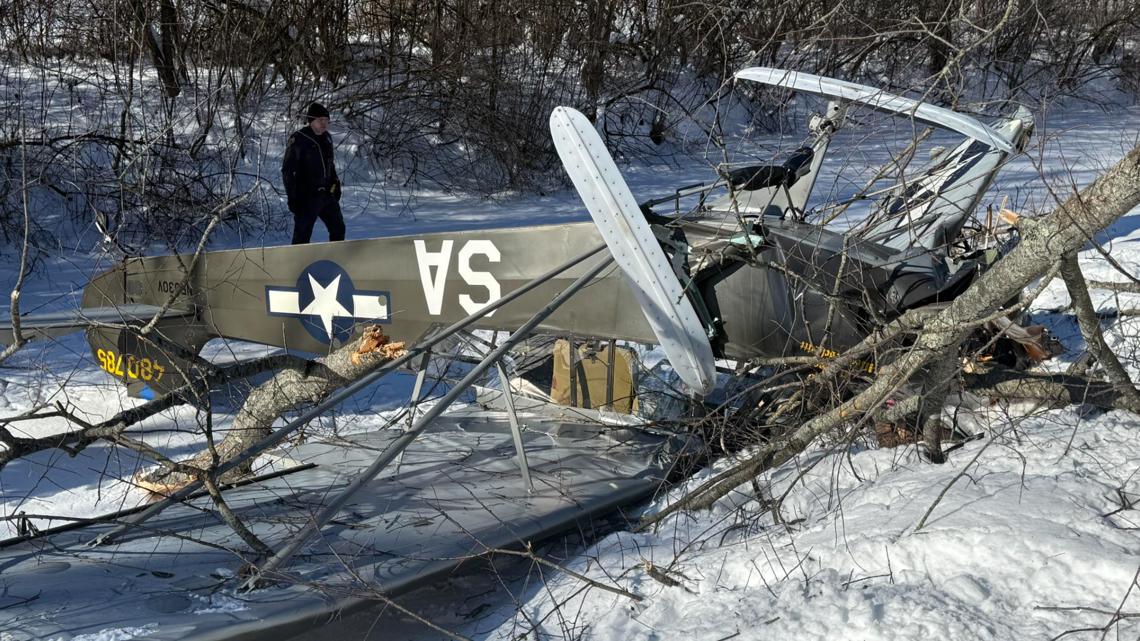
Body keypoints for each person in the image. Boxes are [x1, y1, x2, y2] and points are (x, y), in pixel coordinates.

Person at [282, 102, 345, 244]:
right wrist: (292, 197)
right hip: (306, 197)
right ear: (311, 120)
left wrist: (336, 184)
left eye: (326, 120)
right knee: (302, 236)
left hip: (327, 195)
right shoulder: (299, 139)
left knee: (338, 228)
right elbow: (287, 171)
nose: (324, 123)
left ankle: (336, 257)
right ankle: (299, 259)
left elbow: (330, 165)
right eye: (320, 120)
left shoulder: (327, 138)